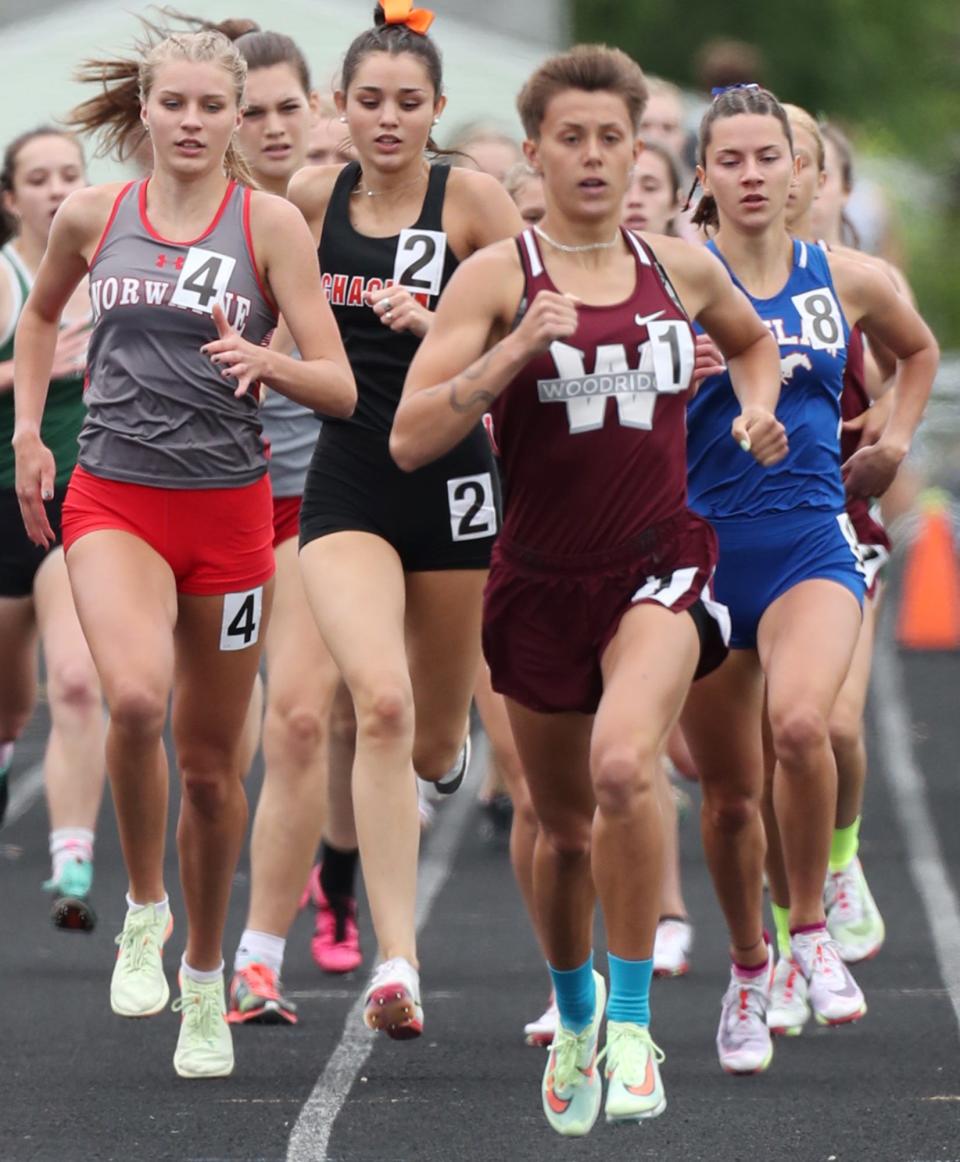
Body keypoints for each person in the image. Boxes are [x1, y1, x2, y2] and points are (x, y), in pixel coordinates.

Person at [391, 44, 785, 1135]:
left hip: (660, 558)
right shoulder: (496, 277)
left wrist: (755, 406)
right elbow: (414, 434)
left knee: (628, 766)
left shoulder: (681, 266)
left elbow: (753, 348)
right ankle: (572, 1017)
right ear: (537, 153)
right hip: (537, 578)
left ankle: (629, 1019)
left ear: (640, 147)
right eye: (574, 137)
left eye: (615, 136)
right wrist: (511, 349)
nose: (597, 155)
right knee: (561, 831)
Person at [14, 27, 354, 1079]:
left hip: (231, 515)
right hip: (114, 498)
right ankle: (145, 909)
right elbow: (36, 316)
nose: (198, 123)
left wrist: (270, 360)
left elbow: (338, 385)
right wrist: (31, 431)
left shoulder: (271, 224)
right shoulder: (93, 214)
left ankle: (205, 977)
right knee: (130, 702)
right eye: (179, 104)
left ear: (240, 115)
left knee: (212, 769)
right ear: (146, 112)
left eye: (218, 106)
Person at [682, 84, 937, 1072]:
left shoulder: (847, 275)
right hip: (702, 552)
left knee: (804, 725)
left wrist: (894, 438)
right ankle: (751, 967)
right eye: (731, 160)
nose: (752, 176)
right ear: (703, 175)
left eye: (768, 158)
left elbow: (917, 353)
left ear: (803, 172)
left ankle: (812, 929)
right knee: (726, 794)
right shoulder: (674, 277)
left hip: (808, 541)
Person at [290, 0, 523, 1042]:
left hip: (452, 478)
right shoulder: (307, 197)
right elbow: (265, 308)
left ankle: (448, 753)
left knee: (430, 736)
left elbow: (544, 332)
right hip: (347, 479)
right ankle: (397, 961)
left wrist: (445, 331)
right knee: (373, 703)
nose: (387, 120)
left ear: (434, 112)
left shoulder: (470, 200)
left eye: (408, 104)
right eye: (370, 101)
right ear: (340, 106)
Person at [0, 126, 106, 929]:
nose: (56, 188)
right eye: (38, 177)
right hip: (4, 497)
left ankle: (72, 860)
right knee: (7, 704)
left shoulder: (111, 269)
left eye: (69, 173)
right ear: (11, 198)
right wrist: (33, 367)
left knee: (74, 678)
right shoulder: (5, 276)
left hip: (76, 499)